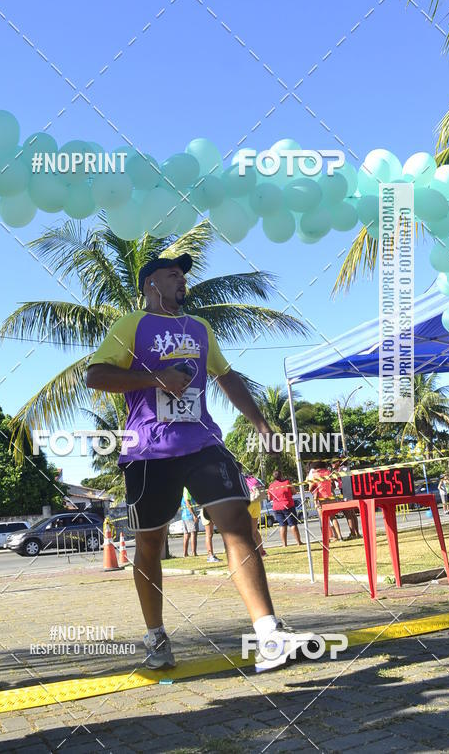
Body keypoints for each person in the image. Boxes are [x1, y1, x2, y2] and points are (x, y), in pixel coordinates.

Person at [86, 254, 306, 673]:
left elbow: (226, 377)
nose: (181, 280)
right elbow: (95, 375)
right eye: (172, 274)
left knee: (237, 524)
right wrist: (156, 379)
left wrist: (261, 423)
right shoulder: (132, 325)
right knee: (149, 545)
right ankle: (156, 636)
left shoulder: (200, 328)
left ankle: (268, 634)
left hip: (203, 442)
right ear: (150, 284)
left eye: (183, 275)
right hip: (149, 451)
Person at [307, 461, 342, 541]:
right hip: (330, 497)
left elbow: (310, 488)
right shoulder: (328, 472)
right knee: (333, 517)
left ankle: (328, 538)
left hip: (320, 499)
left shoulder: (315, 475)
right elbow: (333, 483)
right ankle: (339, 536)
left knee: (324, 519)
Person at [267, 470, 302, 547]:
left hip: (277, 507)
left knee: (282, 525)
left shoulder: (271, 486)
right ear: (281, 475)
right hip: (287, 506)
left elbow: (269, 498)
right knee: (292, 524)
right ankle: (298, 542)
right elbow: (294, 492)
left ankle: (284, 544)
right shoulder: (287, 483)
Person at [331, 460, 360, 540]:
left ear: (338, 462)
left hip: (345, 491)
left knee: (348, 513)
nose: (332, 464)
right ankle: (357, 533)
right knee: (352, 513)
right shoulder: (344, 468)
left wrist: (334, 476)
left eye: (333, 462)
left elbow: (341, 479)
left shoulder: (341, 469)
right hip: (348, 491)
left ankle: (353, 533)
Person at [245, 473, 267, 557]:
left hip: (248, 503)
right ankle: (261, 551)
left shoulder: (240, 479)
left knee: (246, 531)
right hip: (257, 503)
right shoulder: (252, 478)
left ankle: (252, 552)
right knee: (254, 531)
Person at [181, 487, 198, 556]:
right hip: (190, 515)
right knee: (193, 533)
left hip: (184, 516)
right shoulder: (187, 489)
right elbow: (187, 502)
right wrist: (193, 515)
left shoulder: (183, 490)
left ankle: (185, 553)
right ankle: (194, 553)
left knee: (186, 535)